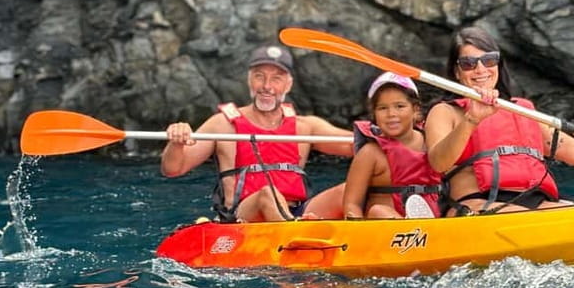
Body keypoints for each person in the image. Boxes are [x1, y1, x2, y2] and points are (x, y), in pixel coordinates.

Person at [424, 26, 574, 216]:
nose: (481, 69)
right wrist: (471, 120)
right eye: (469, 63)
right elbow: (438, 163)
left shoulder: (523, 110)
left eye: (489, 60)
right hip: (476, 205)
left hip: (537, 204)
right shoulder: (445, 112)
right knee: (549, 217)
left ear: (498, 64)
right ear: (457, 71)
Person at [161, 43, 353, 222]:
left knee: (347, 191)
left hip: (296, 213)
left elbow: (354, 145)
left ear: (288, 85)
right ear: (249, 80)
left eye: (276, 78)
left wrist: (380, 129)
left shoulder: (305, 127)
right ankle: (293, 230)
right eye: (259, 76)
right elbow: (173, 169)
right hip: (243, 216)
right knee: (268, 193)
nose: (267, 86)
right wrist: (177, 141)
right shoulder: (222, 125)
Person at [343, 73, 441, 219]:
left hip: (431, 227)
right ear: (374, 113)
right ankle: (406, 225)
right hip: (385, 229)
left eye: (400, 106)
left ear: (415, 110)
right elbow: (352, 204)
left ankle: (420, 225)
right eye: (382, 108)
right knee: (378, 211)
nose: (391, 114)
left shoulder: (431, 142)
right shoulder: (370, 153)